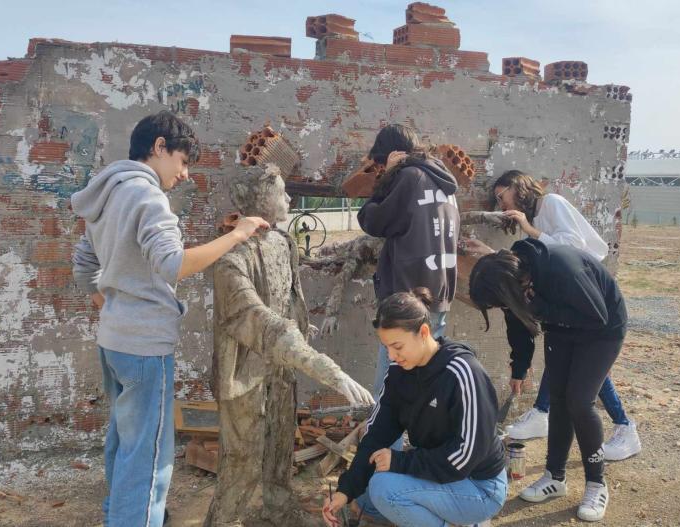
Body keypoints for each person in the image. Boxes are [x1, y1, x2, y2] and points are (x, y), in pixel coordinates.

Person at [71, 110, 270, 527]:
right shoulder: (146, 197)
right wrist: (238, 234)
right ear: (159, 147)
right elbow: (173, 264)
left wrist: (111, 307)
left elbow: (83, 266)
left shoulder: (105, 194)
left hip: (114, 342)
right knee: (149, 459)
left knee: (124, 440)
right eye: (182, 161)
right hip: (144, 346)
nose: (183, 174)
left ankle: (118, 514)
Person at [205, 164, 374, 526]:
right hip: (245, 373)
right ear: (258, 199)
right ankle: (224, 520)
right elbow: (258, 320)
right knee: (243, 459)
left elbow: (290, 298)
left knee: (280, 446)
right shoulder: (231, 261)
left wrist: (301, 324)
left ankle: (279, 507)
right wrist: (325, 369)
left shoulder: (283, 243)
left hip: (282, 367)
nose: (288, 197)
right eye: (281, 191)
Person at [468, 239, 628, 522]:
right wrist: (519, 367)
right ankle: (555, 477)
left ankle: (596, 483)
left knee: (579, 401)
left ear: (507, 287)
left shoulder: (561, 268)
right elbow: (518, 324)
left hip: (602, 328)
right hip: (562, 328)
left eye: (499, 302)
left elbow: (596, 315)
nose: (501, 307)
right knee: (558, 399)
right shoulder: (513, 284)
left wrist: (539, 309)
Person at [487, 169, 640, 461]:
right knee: (562, 357)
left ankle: (624, 426)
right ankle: (543, 413)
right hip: (569, 291)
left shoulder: (551, 203)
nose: (502, 204)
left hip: (586, 291)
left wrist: (530, 231)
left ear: (517, 187)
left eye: (501, 196)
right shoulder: (537, 215)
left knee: (585, 377)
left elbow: (573, 247)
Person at [322, 288, 507, 527]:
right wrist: (344, 491)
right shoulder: (399, 372)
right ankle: (448, 516)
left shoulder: (462, 372)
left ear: (423, 332)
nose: (391, 355)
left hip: (478, 484)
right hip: (441, 473)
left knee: (384, 489)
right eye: (386, 347)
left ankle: (467, 521)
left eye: (397, 346)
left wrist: (400, 463)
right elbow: (376, 435)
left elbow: (468, 454)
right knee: (365, 500)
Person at [357, 124, 460, 431]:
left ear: (392, 155)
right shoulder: (443, 182)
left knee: (390, 385)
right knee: (426, 378)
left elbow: (372, 219)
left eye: (381, 162)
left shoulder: (408, 177)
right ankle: (424, 442)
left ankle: (384, 459)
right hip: (438, 294)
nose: (379, 168)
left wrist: (387, 176)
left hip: (406, 298)